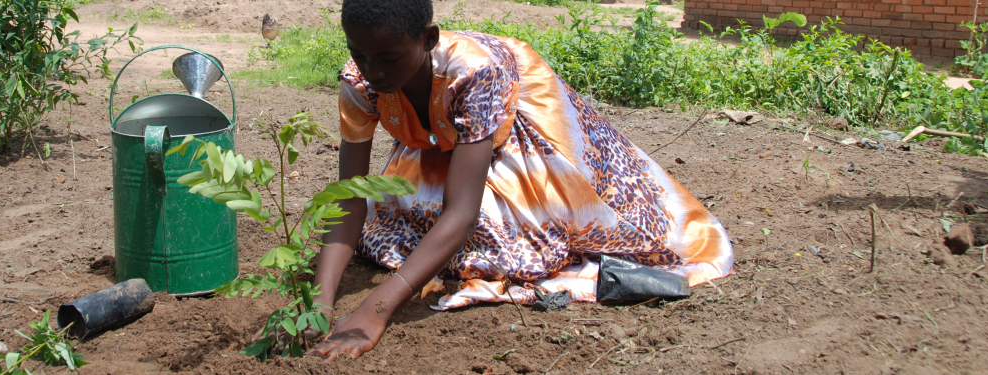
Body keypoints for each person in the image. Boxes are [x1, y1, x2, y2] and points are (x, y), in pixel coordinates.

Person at [308, 0, 733, 361]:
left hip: (516, 123)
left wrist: (375, 310)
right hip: (444, 134)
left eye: (388, 59)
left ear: (428, 39)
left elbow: (462, 213)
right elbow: (350, 198)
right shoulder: (360, 82)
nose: (373, 71)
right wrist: (320, 302)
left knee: (499, 244)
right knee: (390, 222)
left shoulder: (474, 73)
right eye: (360, 55)